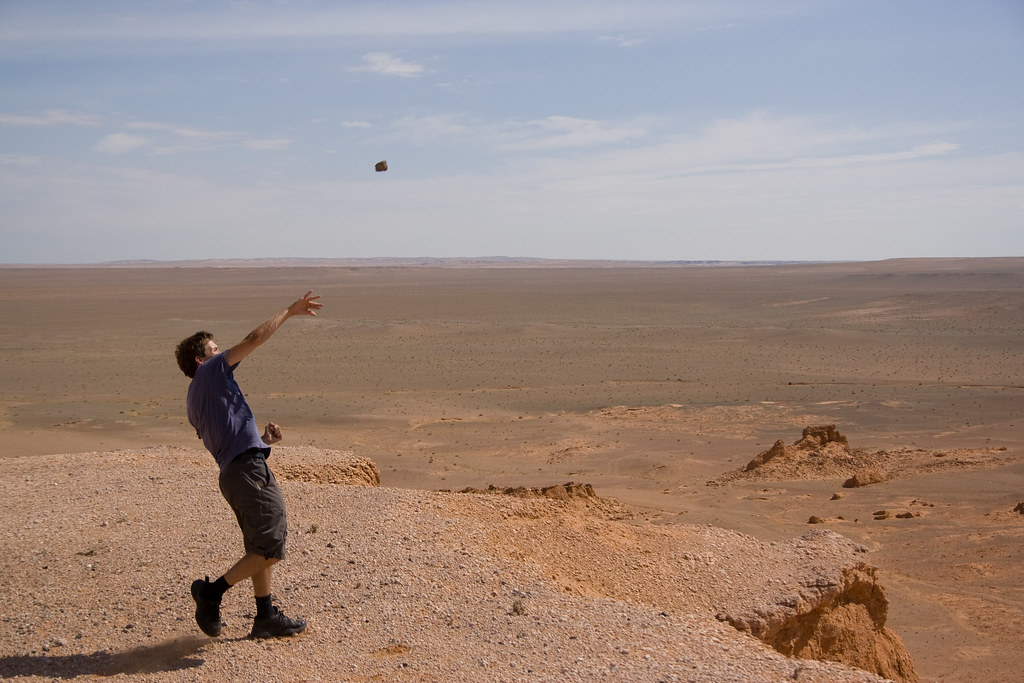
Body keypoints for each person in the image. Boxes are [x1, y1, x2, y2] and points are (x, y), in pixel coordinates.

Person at [174, 290, 323, 639]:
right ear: (201, 360)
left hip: (236, 472)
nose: (221, 353)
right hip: (245, 472)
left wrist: (262, 443)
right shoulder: (211, 373)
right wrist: (289, 311)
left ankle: (265, 616)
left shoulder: (196, 398)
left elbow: (226, 441)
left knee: (258, 548)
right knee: (270, 546)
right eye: (214, 349)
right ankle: (211, 594)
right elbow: (254, 339)